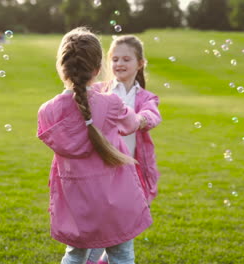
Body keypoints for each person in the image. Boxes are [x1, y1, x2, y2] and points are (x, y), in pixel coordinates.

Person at [36, 27, 152, 264]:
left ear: (62, 67)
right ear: (99, 68)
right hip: (116, 198)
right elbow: (131, 123)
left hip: (76, 201)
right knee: (121, 255)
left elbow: (77, 112)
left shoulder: (47, 110)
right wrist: (146, 117)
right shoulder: (111, 103)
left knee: (76, 255)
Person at [88, 35, 162, 264]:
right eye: (115, 59)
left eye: (126, 59)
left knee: (121, 232)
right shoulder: (99, 90)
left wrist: (138, 120)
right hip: (99, 171)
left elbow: (152, 115)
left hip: (129, 172)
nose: (119, 64)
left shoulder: (145, 97)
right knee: (96, 231)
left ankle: (103, 260)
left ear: (140, 63)